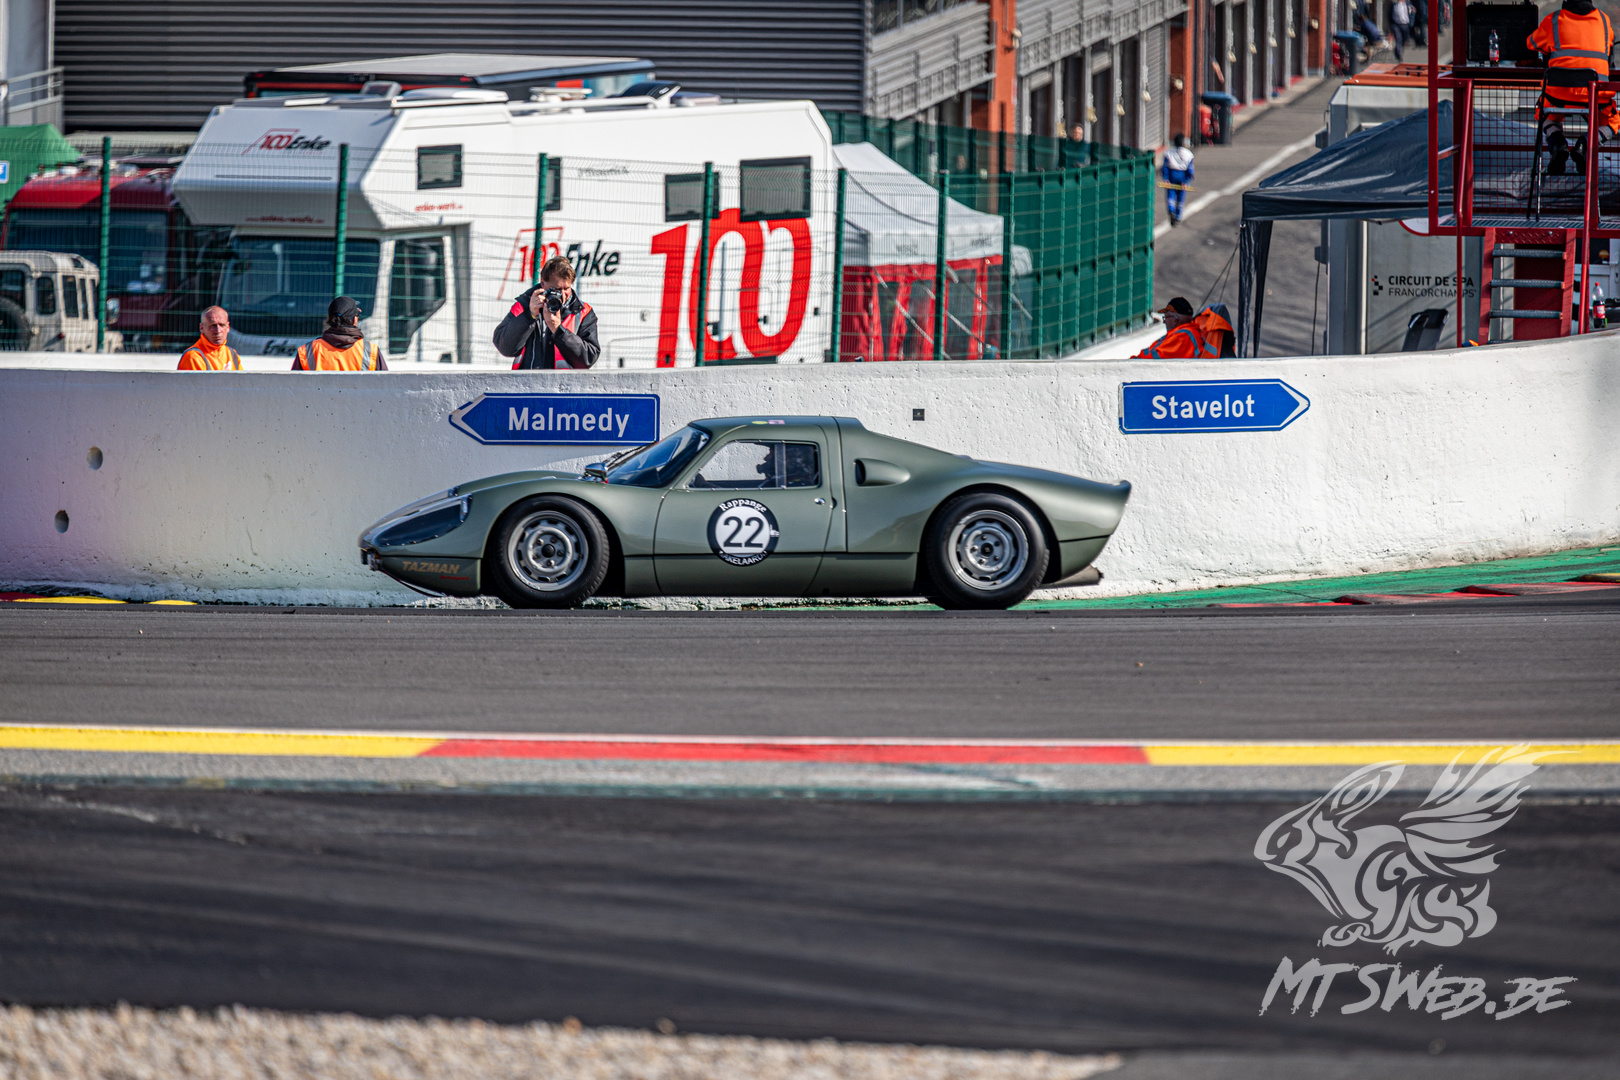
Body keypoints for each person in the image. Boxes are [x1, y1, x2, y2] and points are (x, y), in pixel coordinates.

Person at [1527, 0, 1618, 175]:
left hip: (1558, 95)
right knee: (1613, 121)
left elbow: (1531, 43)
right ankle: (1585, 145)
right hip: (1594, 96)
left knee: (1544, 113)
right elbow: (1609, 45)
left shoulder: (1553, 20)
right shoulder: (1604, 20)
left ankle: (1557, 144)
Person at [494, 254, 600, 369]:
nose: (562, 295)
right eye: (556, 289)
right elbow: (504, 347)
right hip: (527, 379)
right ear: (543, 283)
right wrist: (529, 316)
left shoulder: (582, 312)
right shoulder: (524, 305)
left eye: (566, 288)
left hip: (565, 380)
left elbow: (589, 358)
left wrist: (559, 331)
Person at [293, 296, 386, 371]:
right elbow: (385, 383)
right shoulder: (371, 351)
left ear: (329, 318)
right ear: (354, 320)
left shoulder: (306, 351)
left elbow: (293, 385)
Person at [1132, 298, 1205, 358]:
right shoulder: (1184, 334)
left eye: (1166, 318)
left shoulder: (1183, 336)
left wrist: (1134, 360)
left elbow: (1155, 358)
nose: (1165, 322)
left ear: (1175, 320)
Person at [177, 306, 242, 370]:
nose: (218, 330)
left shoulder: (232, 355)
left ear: (228, 327)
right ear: (201, 328)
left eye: (222, 325)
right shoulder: (193, 357)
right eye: (213, 325)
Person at [1161, 134, 1195, 226]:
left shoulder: (1168, 153)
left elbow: (1165, 167)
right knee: (1181, 198)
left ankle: (1171, 210)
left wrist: (1165, 179)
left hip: (1172, 176)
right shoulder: (1188, 154)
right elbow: (1190, 169)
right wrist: (1187, 180)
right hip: (1182, 176)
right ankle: (1178, 216)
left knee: (1171, 196)